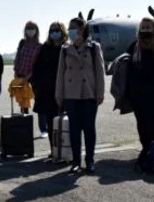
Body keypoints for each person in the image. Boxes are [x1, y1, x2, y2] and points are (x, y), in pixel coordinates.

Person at [55, 17, 104, 173]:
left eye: (73, 28)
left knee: (89, 127)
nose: (70, 31)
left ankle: (89, 160)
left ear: (82, 29)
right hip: (71, 93)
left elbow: (100, 72)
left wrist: (100, 93)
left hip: (89, 92)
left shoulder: (93, 47)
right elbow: (60, 73)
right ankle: (76, 161)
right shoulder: (65, 49)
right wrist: (59, 94)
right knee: (74, 128)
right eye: (69, 28)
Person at [125, 17, 154, 164]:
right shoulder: (134, 46)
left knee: (152, 120)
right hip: (137, 92)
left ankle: (152, 148)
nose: (145, 30)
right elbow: (127, 66)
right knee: (141, 121)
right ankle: (146, 147)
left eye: (148, 27)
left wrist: (153, 79)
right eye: (143, 27)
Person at [31, 22, 67, 155]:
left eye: (57, 30)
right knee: (52, 123)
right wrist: (36, 85)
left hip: (64, 90)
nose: (54, 33)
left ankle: (65, 149)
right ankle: (54, 149)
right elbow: (37, 67)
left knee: (65, 122)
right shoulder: (45, 48)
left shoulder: (67, 47)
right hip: (47, 91)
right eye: (52, 30)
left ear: (62, 31)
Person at [13, 21, 41, 120]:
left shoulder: (39, 46)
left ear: (36, 31)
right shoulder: (22, 43)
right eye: (28, 28)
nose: (30, 31)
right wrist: (16, 72)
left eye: (32, 28)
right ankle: (25, 121)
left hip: (33, 77)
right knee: (23, 100)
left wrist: (28, 77)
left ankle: (42, 126)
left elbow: (38, 64)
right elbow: (17, 58)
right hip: (20, 74)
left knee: (38, 100)